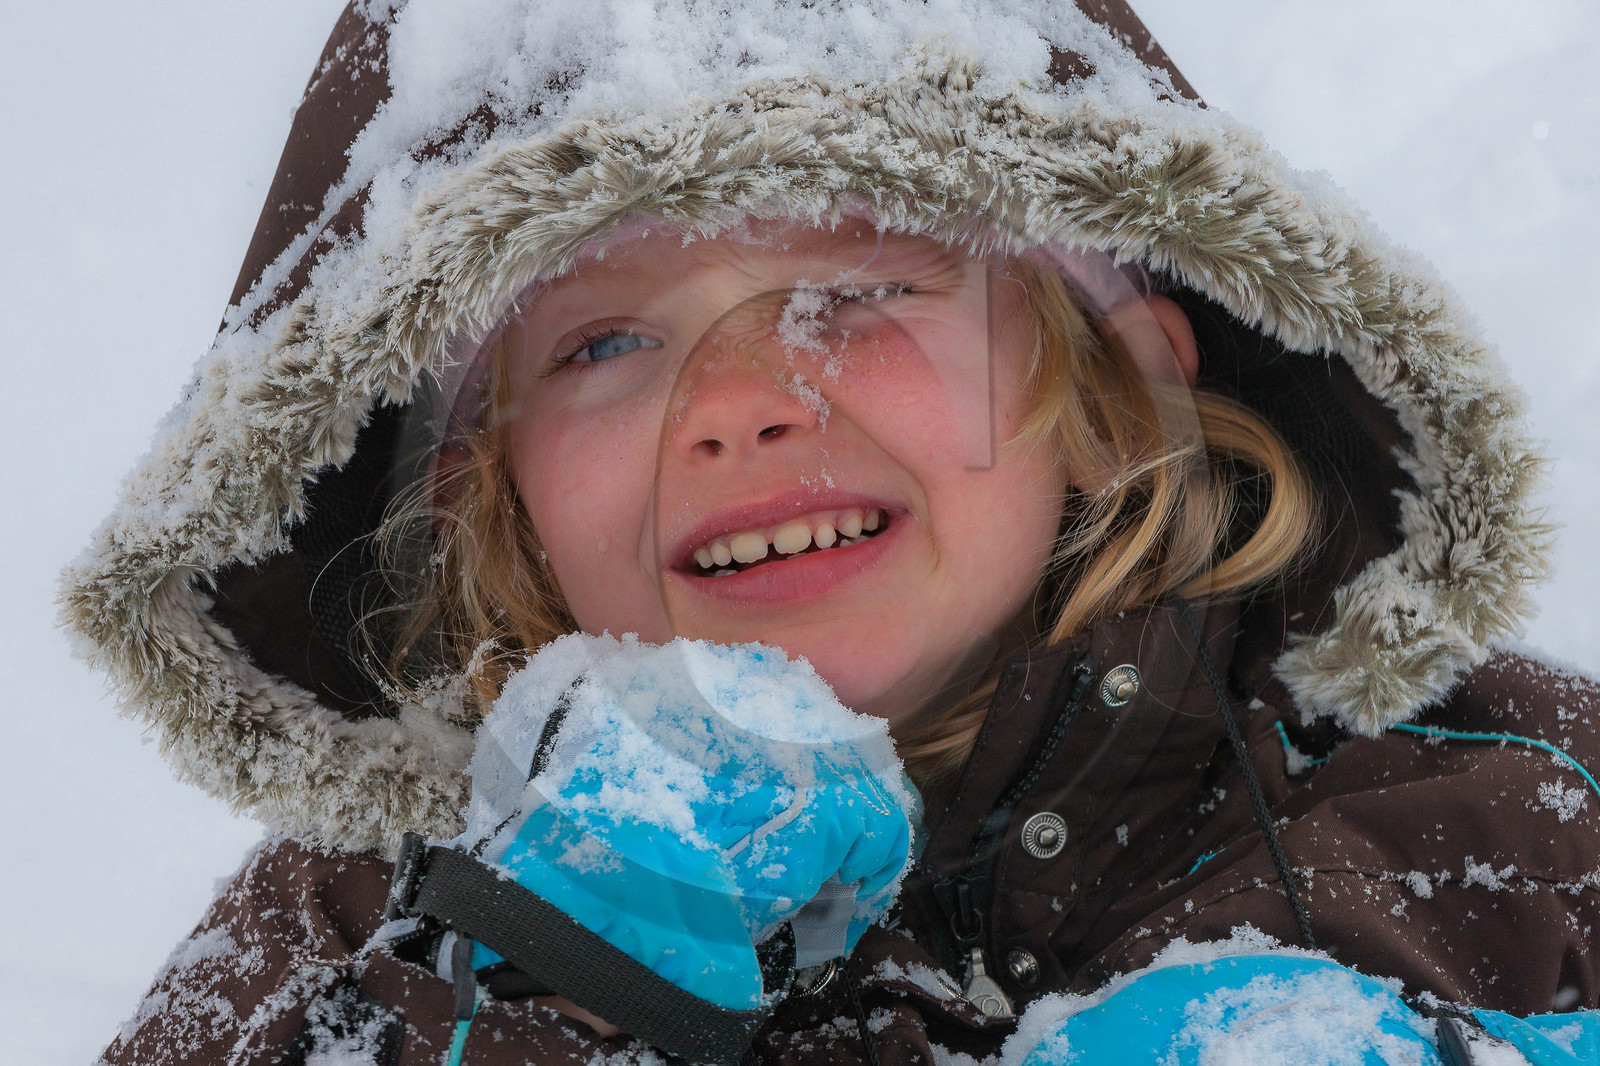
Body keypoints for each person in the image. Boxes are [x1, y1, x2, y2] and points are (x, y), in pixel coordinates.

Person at [60, 1, 1600, 1063]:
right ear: (489, 490)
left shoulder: (1502, 804)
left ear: (1120, 383)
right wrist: (534, 1003)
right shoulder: (363, 922)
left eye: (857, 288)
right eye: (604, 344)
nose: (739, 401)